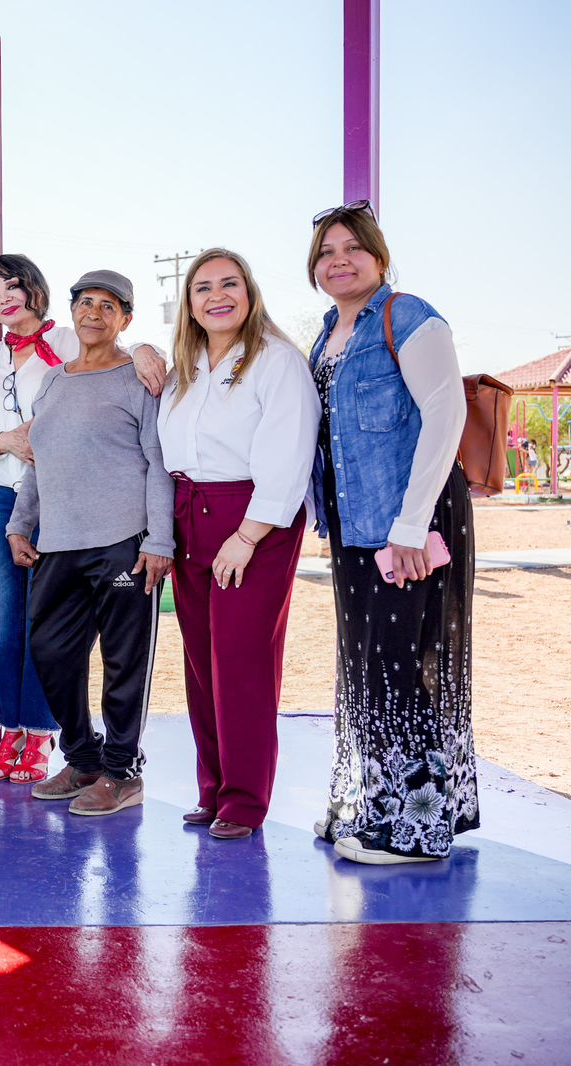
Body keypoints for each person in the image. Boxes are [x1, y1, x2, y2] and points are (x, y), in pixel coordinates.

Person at [305, 202, 476, 864]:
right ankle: (377, 804)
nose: (339, 260)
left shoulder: (407, 316)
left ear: (379, 256)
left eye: (353, 247)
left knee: (400, 664)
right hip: (359, 526)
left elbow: (445, 413)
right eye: (326, 252)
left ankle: (415, 830)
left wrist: (410, 523)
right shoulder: (329, 333)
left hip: (407, 521)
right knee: (369, 665)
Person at [0, 253, 167, 784]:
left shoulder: (88, 350)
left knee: (97, 648)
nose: (4, 298)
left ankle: (87, 755)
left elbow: (133, 370)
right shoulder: (9, 367)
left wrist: (148, 347)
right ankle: (43, 743)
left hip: (98, 523)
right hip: (25, 513)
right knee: (27, 636)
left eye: (13, 285)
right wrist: (6, 455)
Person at [158, 249, 319, 839]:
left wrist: (247, 535)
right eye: (203, 287)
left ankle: (245, 801)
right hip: (189, 514)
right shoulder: (183, 367)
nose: (216, 296)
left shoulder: (277, 361)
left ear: (249, 293)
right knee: (201, 665)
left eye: (229, 284)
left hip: (253, 520)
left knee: (242, 665)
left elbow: (289, 455)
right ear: (189, 303)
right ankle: (213, 790)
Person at [7, 270, 174, 816]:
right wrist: (19, 523)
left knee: (125, 663)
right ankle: (83, 760)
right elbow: (39, 459)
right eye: (85, 302)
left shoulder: (139, 379)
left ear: (125, 319)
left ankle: (123, 772)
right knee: (51, 654)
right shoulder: (54, 381)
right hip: (57, 544)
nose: (94, 313)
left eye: (108, 306)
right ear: (73, 311)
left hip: (123, 543)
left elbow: (159, 463)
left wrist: (159, 540)